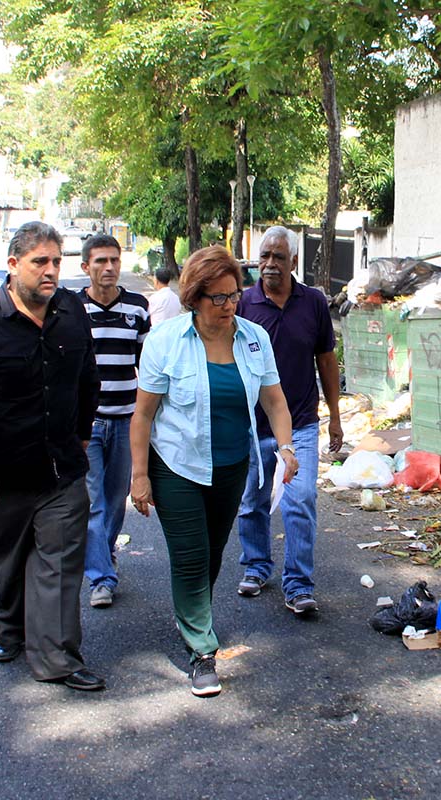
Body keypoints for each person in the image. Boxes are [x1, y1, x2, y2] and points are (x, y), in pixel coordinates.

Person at [0, 222, 104, 691]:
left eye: (56, 262)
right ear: (12, 266)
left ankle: (56, 658)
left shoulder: (71, 311)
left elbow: (87, 379)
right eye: (40, 263)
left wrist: (83, 434)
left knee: (61, 565)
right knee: (7, 563)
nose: (51, 272)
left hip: (61, 471)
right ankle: (9, 630)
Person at [130, 245, 298, 697]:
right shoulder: (166, 341)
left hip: (230, 466)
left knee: (212, 554)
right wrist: (140, 475)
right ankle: (201, 650)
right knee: (190, 557)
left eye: (234, 295)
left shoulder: (252, 338)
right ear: (193, 299)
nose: (229, 306)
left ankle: (191, 613)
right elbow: (143, 416)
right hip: (175, 466)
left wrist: (286, 446)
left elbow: (275, 401)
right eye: (218, 298)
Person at [235, 226, 343, 616]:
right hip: (253, 424)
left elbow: (326, 360)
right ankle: (256, 565)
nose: (269, 264)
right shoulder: (244, 302)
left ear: (294, 262)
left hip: (299, 422)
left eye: (278, 257)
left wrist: (334, 417)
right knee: (252, 501)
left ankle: (297, 583)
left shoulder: (313, 302)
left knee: (301, 501)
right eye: (264, 256)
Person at [77, 234, 150, 609]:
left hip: (126, 421)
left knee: (115, 501)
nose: (108, 268)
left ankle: (102, 556)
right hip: (87, 425)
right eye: (100, 261)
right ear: (85, 266)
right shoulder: (71, 309)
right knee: (92, 503)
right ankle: (102, 578)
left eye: (114, 261)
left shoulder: (137, 308)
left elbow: (148, 368)